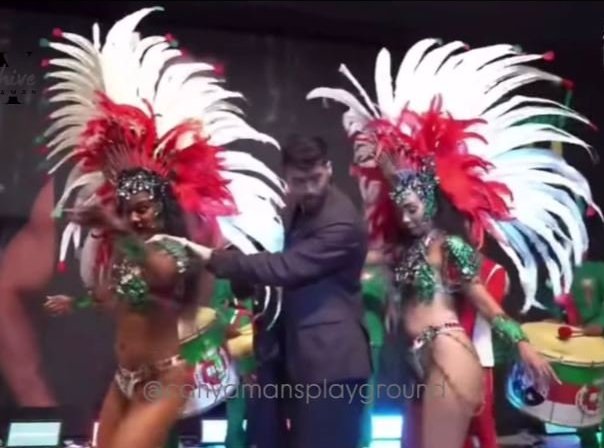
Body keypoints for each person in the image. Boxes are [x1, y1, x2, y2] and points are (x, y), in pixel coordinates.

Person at [307, 39, 599, 448]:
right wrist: (382, 149)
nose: (406, 217)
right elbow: (395, 194)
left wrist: (523, 346)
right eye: (401, 210)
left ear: (431, 205)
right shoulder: (402, 247)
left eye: (413, 209)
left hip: (449, 354)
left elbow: (486, 304)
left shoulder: (450, 247)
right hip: (418, 359)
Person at [38, 7, 283, 447]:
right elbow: (116, 296)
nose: (135, 216)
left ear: (161, 207)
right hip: (125, 378)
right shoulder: (128, 249)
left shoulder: (174, 247)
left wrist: (116, 227)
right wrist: (76, 303)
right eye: (127, 209)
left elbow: (161, 274)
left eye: (143, 208)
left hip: (166, 378)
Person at [151, 135, 372, 448]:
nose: (310, 188)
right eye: (300, 181)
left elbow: (286, 267)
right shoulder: (296, 208)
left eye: (316, 178)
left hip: (331, 363)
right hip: (292, 356)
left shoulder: (341, 222)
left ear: (329, 169)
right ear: (286, 178)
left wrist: (211, 256)